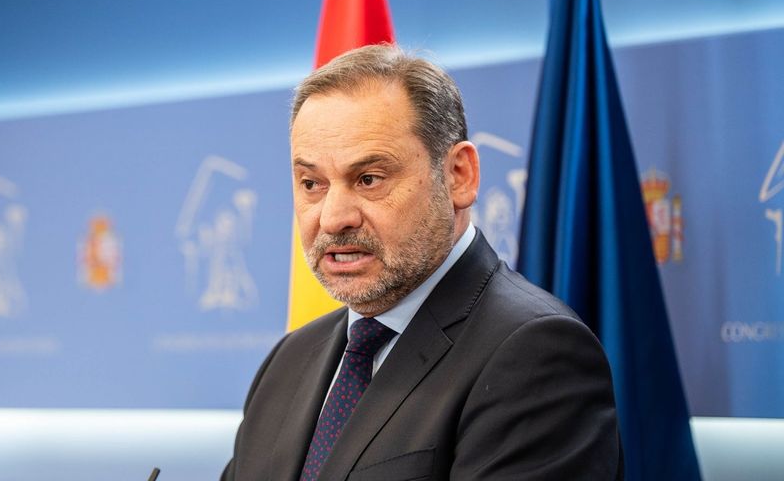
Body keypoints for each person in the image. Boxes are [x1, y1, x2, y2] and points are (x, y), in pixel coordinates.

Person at [222, 44, 622, 480]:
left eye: (369, 179)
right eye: (311, 183)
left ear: (458, 176)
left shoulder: (536, 353)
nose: (334, 218)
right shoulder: (290, 359)